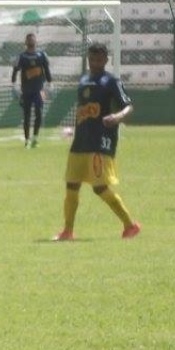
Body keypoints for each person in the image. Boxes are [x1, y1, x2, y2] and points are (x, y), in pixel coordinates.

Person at [53, 43, 141, 241]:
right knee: (71, 184)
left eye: (99, 59)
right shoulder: (83, 80)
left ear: (106, 60)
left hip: (101, 142)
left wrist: (117, 118)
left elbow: (128, 107)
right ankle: (67, 231)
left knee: (99, 188)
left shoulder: (111, 82)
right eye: (92, 59)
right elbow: (85, 110)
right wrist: (74, 129)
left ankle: (130, 225)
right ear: (88, 59)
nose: (95, 63)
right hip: (81, 141)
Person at [11, 33, 52, 148]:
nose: (31, 40)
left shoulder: (42, 55)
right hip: (26, 91)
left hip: (39, 91)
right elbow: (15, 71)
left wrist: (50, 83)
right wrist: (14, 85)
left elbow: (47, 70)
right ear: (26, 42)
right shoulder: (22, 57)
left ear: (36, 41)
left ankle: (35, 138)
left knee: (39, 114)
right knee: (27, 115)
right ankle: (27, 140)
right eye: (28, 39)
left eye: (32, 38)